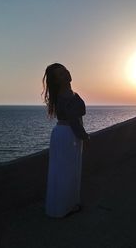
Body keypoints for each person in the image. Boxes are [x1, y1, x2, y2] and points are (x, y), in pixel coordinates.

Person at [42, 63, 90, 218]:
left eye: (65, 71)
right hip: (68, 134)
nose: (66, 74)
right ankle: (65, 206)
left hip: (63, 133)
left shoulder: (67, 93)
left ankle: (63, 205)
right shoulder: (66, 96)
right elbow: (74, 120)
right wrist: (83, 135)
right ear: (57, 81)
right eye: (61, 74)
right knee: (67, 170)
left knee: (62, 170)